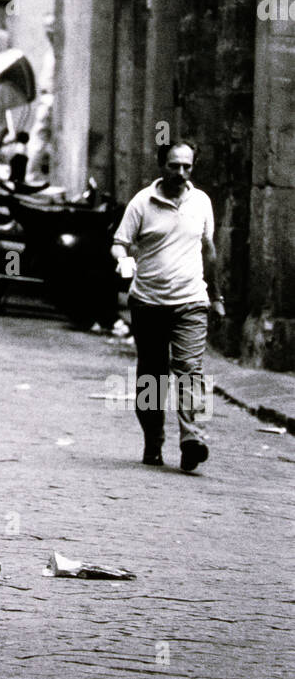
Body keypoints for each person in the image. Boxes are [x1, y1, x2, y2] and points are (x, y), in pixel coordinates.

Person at [111, 141, 224, 473]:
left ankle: (193, 440)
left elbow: (209, 251)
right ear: (162, 166)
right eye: (174, 166)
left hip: (191, 301)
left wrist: (216, 297)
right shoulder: (142, 203)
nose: (181, 173)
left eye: (187, 167)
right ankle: (153, 440)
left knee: (190, 369)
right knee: (152, 376)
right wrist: (125, 262)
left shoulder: (201, 202)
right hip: (148, 302)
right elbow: (120, 244)